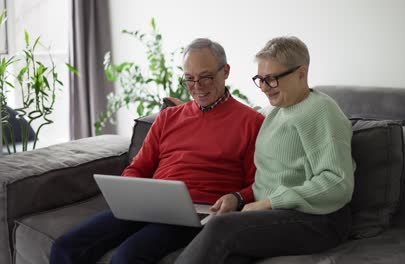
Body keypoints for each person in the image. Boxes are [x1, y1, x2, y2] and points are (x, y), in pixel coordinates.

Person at [49, 38, 264, 264]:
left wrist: (237, 197)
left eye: (206, 77)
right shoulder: (168, 117)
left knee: (127, 258)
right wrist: (130, 192)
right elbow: (138, 167)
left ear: (225, 71)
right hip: (148, 206)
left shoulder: (251, 122)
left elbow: (259, 184)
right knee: (65, 247)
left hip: (197, 213)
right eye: (189, 79)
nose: (197, 86)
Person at [175, 36, 355, 264]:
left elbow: (337, 183)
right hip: (270, 214)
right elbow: (232, 124)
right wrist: (237, 199)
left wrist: (269, 203)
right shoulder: (271, 113)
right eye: (260, 79)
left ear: (302, 73)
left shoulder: (321, 111)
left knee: (221, 227)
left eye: (271, 79)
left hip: (319, 220)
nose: (264, 88)